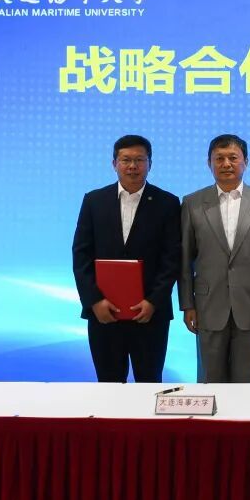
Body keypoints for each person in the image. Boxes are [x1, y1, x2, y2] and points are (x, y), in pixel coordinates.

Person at [72, 135, 181, 383]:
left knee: (149, 383)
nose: (133, 166)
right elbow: (81, 255)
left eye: (139, 160)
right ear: (114, 164)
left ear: (150, 164)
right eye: (126, 160)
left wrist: (153, 301)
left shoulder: (167, 203)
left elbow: (172, 258)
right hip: (104, 313)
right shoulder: (94, 201)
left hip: (150, 314)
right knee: (108, 384)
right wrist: (94, 301)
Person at [179, 134, 250, 383]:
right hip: (207, 305)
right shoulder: (192, 203)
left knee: (248, 379)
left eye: (233, 158)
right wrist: (187, 305)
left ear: (246, 161)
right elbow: (184, 259)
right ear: (209, 163)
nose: (226, 164)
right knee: (209, 379)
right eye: (219, 159)